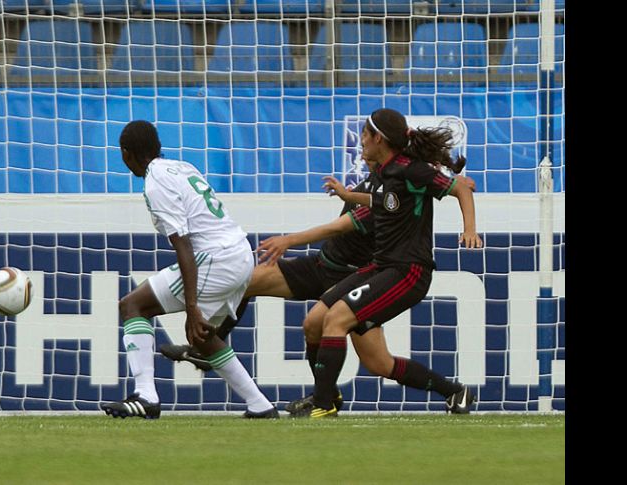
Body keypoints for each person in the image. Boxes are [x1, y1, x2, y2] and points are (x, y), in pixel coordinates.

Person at [161, 150, 478, 416]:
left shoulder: (392, 192)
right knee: (246, 280)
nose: (364, 150)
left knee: (379, 363)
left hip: (353, 278)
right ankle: (211, 347)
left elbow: (338, 227)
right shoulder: (379, 181)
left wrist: (289, 240)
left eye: (369, 141)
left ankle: (453, 391)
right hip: (321, 266)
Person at [291, 108, 482, 418]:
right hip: (382, 266)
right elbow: (384, 199)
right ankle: (454, 392)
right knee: (318, 325)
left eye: (364, 135)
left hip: (408, 271)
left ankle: (324, 403)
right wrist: (348, 194)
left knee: (336, 320)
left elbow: (460, 188)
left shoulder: (411, 169)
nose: (361, 142)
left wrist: (470, 230)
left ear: (378, 138)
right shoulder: (384, 171)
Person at [100, 120, 278, 419]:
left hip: (217, 258)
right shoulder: (182, 167)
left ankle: (146, 397)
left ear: (126, 154)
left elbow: (182, 244)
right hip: (240, 253)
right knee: (202, 337)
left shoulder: (156, 182)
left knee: (133, 305)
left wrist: (192, 306)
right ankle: (260, 405)